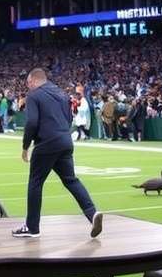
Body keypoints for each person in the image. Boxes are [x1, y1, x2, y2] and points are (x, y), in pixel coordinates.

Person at [14, 68, 102, 239]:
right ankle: (92, 214)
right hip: (65, 140)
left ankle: (32, 228)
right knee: (71, 180)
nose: (28, 86)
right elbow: (69, 117)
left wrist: (25, 146)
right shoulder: (61, 94)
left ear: (33, 80)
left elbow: (32, 122)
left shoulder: (34, 95)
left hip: (46, 143)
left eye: (28, 83)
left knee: (35, 183)